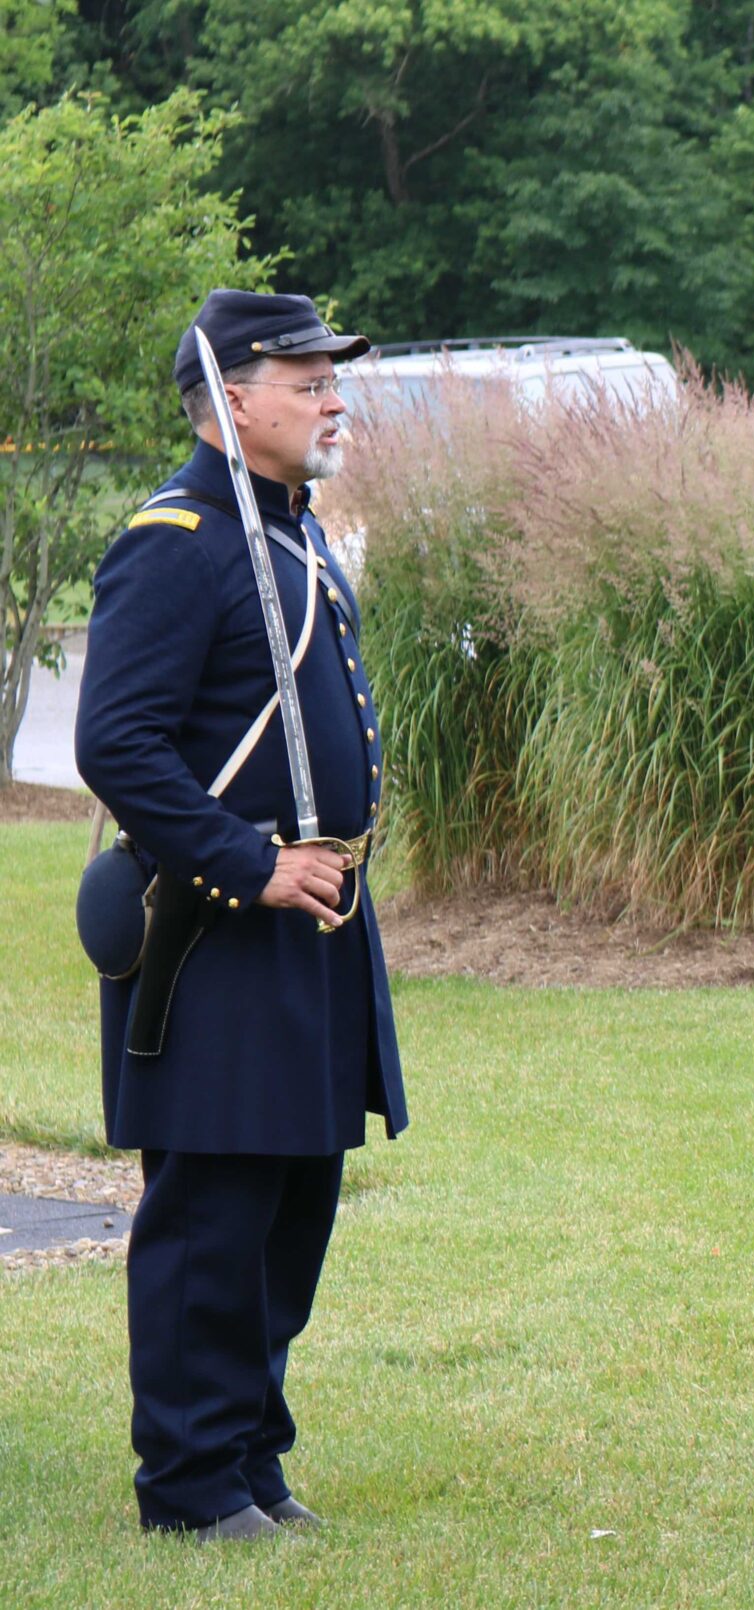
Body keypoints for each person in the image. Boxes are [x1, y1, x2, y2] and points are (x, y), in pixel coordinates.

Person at [76, 289, 402, 1540]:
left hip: (310, 926)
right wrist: (248, 863)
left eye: (332, 376)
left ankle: (250, 1454)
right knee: (210, 1216)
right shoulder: (178, 537)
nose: (333, 397)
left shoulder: (293, 532)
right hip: (217, 930)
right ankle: (189, 1483)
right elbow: (118, 741)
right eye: (306, 377)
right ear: (229, 397)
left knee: (289, 1208)